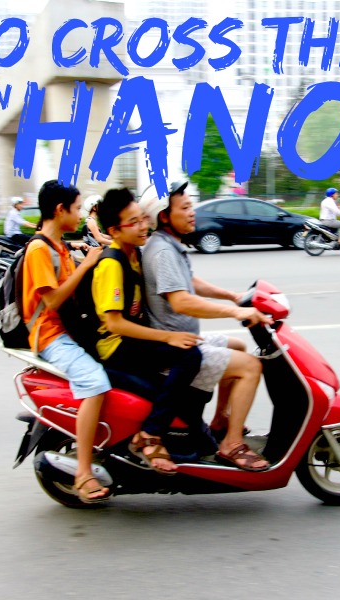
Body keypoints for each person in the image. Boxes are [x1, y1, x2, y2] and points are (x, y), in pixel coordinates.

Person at [139, 180, 274, 471]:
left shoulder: (169, 245)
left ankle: (221, 420)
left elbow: (189, 283)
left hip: (186, 337)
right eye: (185, 207)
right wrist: (234, 312)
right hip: (175, 349)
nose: (192, 213)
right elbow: (181, 301)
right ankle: (232, 444)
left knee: (238, 346)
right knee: (251, 367)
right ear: (164, 215)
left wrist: (233, 296)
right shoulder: (162, 251)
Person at [92, 188, 204, 474]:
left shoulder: (134, 253)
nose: (144, 226)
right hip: (116, 347)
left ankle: (202, 438)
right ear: (116, 230)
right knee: (188, 356)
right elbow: (114, 324)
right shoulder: (111, 264)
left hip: (132, 339)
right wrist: (168, 336)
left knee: (189, 376)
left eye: (143, 218)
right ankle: (150, 436)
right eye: (135, 222)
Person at [21, 181, 110, 503]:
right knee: (96, 382)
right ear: (60, 210)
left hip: (71, 330)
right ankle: (84, 473)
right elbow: (54, 300)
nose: (81, 214)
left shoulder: (60, 246)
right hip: (51, 335)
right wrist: (85, 263)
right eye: (76, 208)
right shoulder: (38, 250)